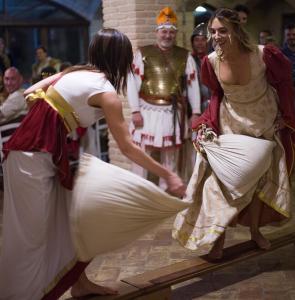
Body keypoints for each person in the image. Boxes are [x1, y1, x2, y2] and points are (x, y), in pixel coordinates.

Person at [0, 28, 186, 300]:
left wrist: (61, 104)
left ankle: (81, 283)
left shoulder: (77, 73)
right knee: (32, 239)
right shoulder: (106, 92)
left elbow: (31, 92)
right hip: (32, 159)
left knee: (75, 219)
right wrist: (167, 174)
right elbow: (126, 147)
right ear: (120, 60)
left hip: (34, 155)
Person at [173, 8, 295, 259]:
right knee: (220, 183)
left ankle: (254, 231)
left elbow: (284, 85)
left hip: (262, 122)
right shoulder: (210, 61)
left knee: (256, 183)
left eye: (223, 30)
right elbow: (217, 94)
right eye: (213, 31)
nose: (217, 36)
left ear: (236, 30)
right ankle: (217, 242)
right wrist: (207, 121)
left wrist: (286, 116)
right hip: (230, 123)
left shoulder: (264, 55)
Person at [127, 7, 201, 187]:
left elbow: (192, 85)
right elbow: (132, 83)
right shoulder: (142, 54)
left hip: (172, 113)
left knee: (171, 156)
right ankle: (139, 190)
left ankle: (167, 192)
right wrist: (135, 110)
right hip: (146, 111)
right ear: (157, 32)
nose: (167, 35)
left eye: (171, 32)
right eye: (164, 32)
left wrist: (196, 112)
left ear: (175, 34)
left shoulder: (185, 56)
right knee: (142, 154)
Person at [282, 24, 295, 133]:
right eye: (288, 35)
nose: (291, 37)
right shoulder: (280, 53)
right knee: (291, 121)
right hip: (287, 93)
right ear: (285, 36)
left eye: (294, 34)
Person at [191, 23, 211, 111]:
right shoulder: (188, 61)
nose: (200, 43)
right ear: (192, 42)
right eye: (196, 40)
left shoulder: (214, 59)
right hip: (194, 107)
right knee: (200, 125)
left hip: (213, 105)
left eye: (203, 39)